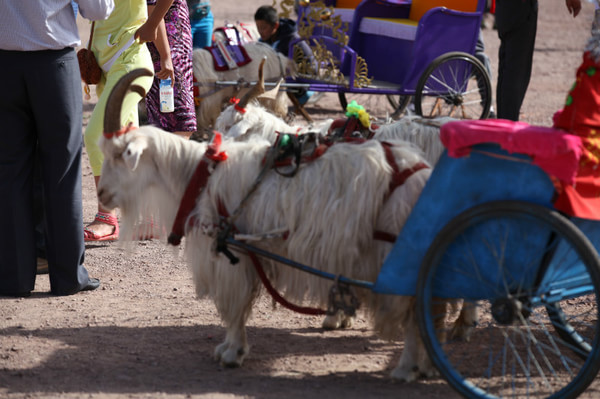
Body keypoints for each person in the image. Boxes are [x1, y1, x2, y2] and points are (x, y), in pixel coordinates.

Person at [0, 0, 114, 297]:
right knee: (62, 171)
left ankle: (13, 278)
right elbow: (100, 9)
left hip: (4, 65)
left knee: (10, 172)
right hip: (53, 64)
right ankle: (67, 276)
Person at [83, 0, 173, 242]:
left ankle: (107, 218)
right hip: (105, 66)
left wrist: (153, 26)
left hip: (130, 61)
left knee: (97, 135)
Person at [495, 0, 582, 121]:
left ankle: (503, 121)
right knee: (516, 69)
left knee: (507, 65)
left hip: (506, 8)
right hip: (521, 8)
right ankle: (507, 121)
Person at [145, 0, 197, 140]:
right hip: (168, 48)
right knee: (180, 123)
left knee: (174, 123)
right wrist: (166, 56)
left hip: (174, 49)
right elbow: (153, 8)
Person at [254, 5, 320, 106]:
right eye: (258, 28)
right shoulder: (269, 37)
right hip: (287, 73)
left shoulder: (290, 39)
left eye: (263, 28)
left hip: (303, 77)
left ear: (275, 26)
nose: (260, 31)